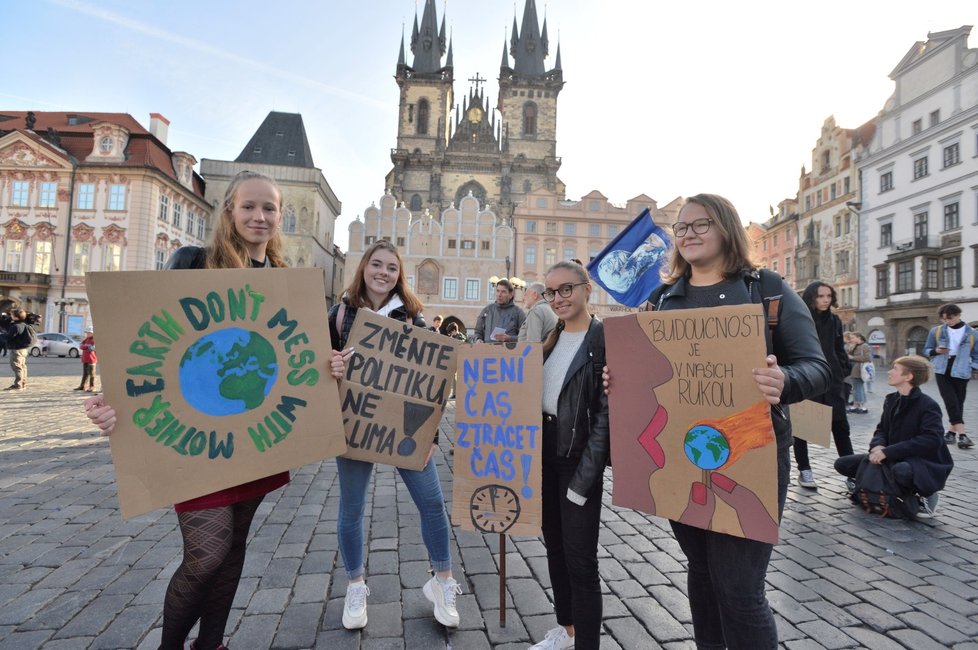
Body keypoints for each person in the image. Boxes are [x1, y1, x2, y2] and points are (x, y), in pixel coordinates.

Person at [83, 170, 325, 650]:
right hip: (196, 438)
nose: (259, 216)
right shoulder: (193, 262)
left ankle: (211, 644)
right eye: (249, 206)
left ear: (280, 216)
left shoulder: (285, 283)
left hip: (254, 435)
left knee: (233, 552)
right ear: (230, 211)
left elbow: (299, 359)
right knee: (208, 555)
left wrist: (329, 364)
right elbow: (145, 341)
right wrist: (111, 402)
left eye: (269, 208)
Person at [605, 194, 829, 649]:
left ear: (726, 228)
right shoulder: (663, 297)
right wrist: (620, 378)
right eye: (681, 228)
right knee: (702, 572)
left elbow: (817, 368)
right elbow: (648, 373)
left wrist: (783, 379)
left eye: (699, 224)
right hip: (681, 454)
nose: (687, 234)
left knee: (740, 589)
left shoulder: (765, 288)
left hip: (750, 454)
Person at [328, 240, 462, 631]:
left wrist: (432, 437)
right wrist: (331, 363)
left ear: (398, 274)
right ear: (364, 268)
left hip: (407, 427)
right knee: (351, 510)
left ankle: (442, 581)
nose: (383, 273)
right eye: (377, 265)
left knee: (433, 503)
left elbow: (432, 384)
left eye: (391, 267)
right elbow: (313, 364)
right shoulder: (339, 316)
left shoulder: (414, 319)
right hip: (355, 424)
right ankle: (355, 586)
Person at [528, 261, 609, 650]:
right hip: (543, 457)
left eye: (566, 290)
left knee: (581, 560)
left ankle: (586, 645)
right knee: (556, 548)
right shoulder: (552, 337)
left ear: (586, 289)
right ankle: (568, 630)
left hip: (578, 461)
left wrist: (585, 478)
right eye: (551, 292)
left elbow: (607, 417)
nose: (557, 298)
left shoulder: (603, 339)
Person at [834, 355, 953, 518]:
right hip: (892, 456)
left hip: (922, 461)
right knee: (843, 464)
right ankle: (874, 486)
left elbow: (931, 440)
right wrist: (878, 446)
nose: (889, 372)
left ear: (908, 376)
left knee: (901, 471)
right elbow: (882, 429)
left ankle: (927, 494)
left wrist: (888, 452)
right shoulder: (892, 400)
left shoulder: (928, 405)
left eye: (895, 369)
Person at [792, 282, 854, 490]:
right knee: (803, 426)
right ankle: (805, 470)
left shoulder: (835, 320)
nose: (825, 300)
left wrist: (844, 369)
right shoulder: (800, 319)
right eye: (820, 296)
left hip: (833, 379)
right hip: (807, 377)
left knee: (840, 425)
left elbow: (839, 348)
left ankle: (852, 472)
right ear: (811, 298)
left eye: (828, 296)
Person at [924, 303, 977, 449]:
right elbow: (926, 349)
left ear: (959, 315)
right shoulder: (936, 331)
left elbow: (977, 354)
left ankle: (951, 434)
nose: (948, 321)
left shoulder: (972, 333)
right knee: (951, 401)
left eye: (951, 318)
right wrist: (936, 351)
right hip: (942, 368)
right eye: (945, 319)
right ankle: (963, 435)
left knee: (958, 402)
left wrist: (973, 368)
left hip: (962, 369)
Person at [3, 309, 33, 391]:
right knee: (22, 366)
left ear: (15, 317)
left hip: (16, 349)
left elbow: (9, 337)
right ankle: (23, 383)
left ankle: (18, 384)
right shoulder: (23, 324)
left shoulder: (15, 326)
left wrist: (3, 335)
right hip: (23, 349)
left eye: (12, 315)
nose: (10, 316)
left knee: (17, 366)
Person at [846, 333, 870, 414]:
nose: (851, 339)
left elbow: (867, 358)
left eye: (853, 338)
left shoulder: (864, 346)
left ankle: (860, 406)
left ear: (859, 337)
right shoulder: (856, 345)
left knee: (858, 388)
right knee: (858, 388)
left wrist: (853, 357)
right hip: (855, 369)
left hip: (859, 369)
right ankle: (859, 405)